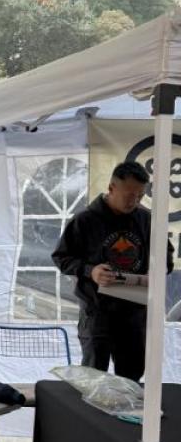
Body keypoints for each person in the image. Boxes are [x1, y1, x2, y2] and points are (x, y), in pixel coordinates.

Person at [52, 160, 174, 381]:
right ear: (111, 188)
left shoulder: (146, 220)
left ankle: (128, 405)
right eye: (129, 195)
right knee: (94, 375)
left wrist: (157, 271)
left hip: (134, 311)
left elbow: (166, 255)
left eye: (140, 196)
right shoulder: (85, 221)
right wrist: (90, 271)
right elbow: (61, 257)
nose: (134, 201)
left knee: (131, 377)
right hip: (97, 311)